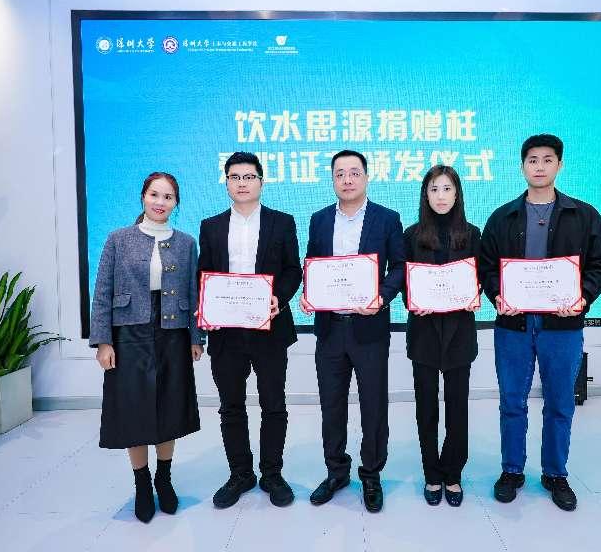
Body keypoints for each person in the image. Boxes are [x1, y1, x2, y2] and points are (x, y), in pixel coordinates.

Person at [479, 134, 601, 512]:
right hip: (514, 326)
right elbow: (486, 265)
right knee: (512, 401)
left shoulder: (583, 215)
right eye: (532, 160)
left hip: (562, 327)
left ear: (559, 165)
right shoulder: (503, 216)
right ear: (522, 166)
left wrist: (583, 297)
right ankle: (512, 471)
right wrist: (497, 295)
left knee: (559, 403)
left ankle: (555, 474)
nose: (539, 167)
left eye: (547, 160)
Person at [90, 172, 204, 523]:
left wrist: (196, 337)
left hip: (173, 332)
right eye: (154, 194)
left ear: (176, 203)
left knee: (170, 406)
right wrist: (103, 341)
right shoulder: (118, 239)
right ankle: (142, 484)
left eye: (168, 197)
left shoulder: (186, 243)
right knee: (133, 409)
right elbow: (102, 291)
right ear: (143, 196)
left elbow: (193, 292)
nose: (160, 202)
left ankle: (163, 479)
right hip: (129, 333)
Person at [300, 150, 405, 513]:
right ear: (332, 179)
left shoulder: (387, 219)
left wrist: (381, 297)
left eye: (354, 173)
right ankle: (336, 471)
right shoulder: (318, 220)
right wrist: (309, 294)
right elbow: (312, 265)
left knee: (373, 404)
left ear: (366, 177)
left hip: (369, 327)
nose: (347, 179)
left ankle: (371, 474)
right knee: (331, 404)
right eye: (340, 174)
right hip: (330, 328)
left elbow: (399, 267)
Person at [198, 152, 303, 509]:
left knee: (274, 404)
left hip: (269, 328)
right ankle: (240, 474)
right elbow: (203, 274)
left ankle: (272, 474)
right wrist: (207, 307)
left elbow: (293, 270)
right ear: (226, 182)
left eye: (249, 177)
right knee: (231, 406)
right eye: (235, 177)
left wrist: (278, 299)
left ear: (261, 181)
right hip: (226, 332)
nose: (242, 183)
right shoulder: (211, 226)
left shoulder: (282, 222)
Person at [402, 165, 481, 507]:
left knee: (457, 408)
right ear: (425, 195)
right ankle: (431, 473)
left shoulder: (473, 234)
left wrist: (475, 293)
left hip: (460, 332)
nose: (441, 196)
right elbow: (404, 281)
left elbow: (481, 277)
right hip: (424, 332)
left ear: (457, 193)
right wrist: (412, 301)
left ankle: (453, 473)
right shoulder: (411, 235)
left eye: (447, 188)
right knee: (426, 408)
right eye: (434, 189)